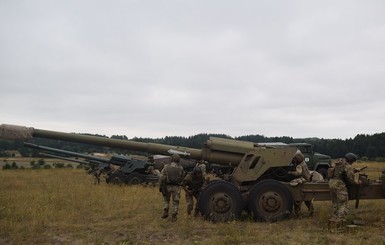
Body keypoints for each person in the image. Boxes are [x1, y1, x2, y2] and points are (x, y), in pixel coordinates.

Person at [328, 152, 362, 227]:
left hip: (331, 183)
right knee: (343, 203)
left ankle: (333, 219)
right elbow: (350, 179)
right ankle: (339, 223)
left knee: (335, 203)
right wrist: (358, 182)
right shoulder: (348, 166)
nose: (352, 163)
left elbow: (341, 172)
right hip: (339, 185)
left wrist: (354, 170)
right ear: (350, 160)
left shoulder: (338, 162)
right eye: (352, 161)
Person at [159, 154, 185, 222]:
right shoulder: (181, 167)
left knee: (166, 200)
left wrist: (160, 186)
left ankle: (165, 212)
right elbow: (182, 177)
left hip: (167, 186)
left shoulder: (166, 166)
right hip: (177, 187)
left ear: (172, 159)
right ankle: (174, 216)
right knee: (176, 202)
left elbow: (161, 176)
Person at [288, 150, 314, 217]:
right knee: (307, 199)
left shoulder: (299, 165)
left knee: (298, 200)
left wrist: (291, 173)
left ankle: (297, 213)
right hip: (308, 179)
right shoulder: (303, 163)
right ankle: (311, 211)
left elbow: (298, 173)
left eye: (295, 158)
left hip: (303, 181)